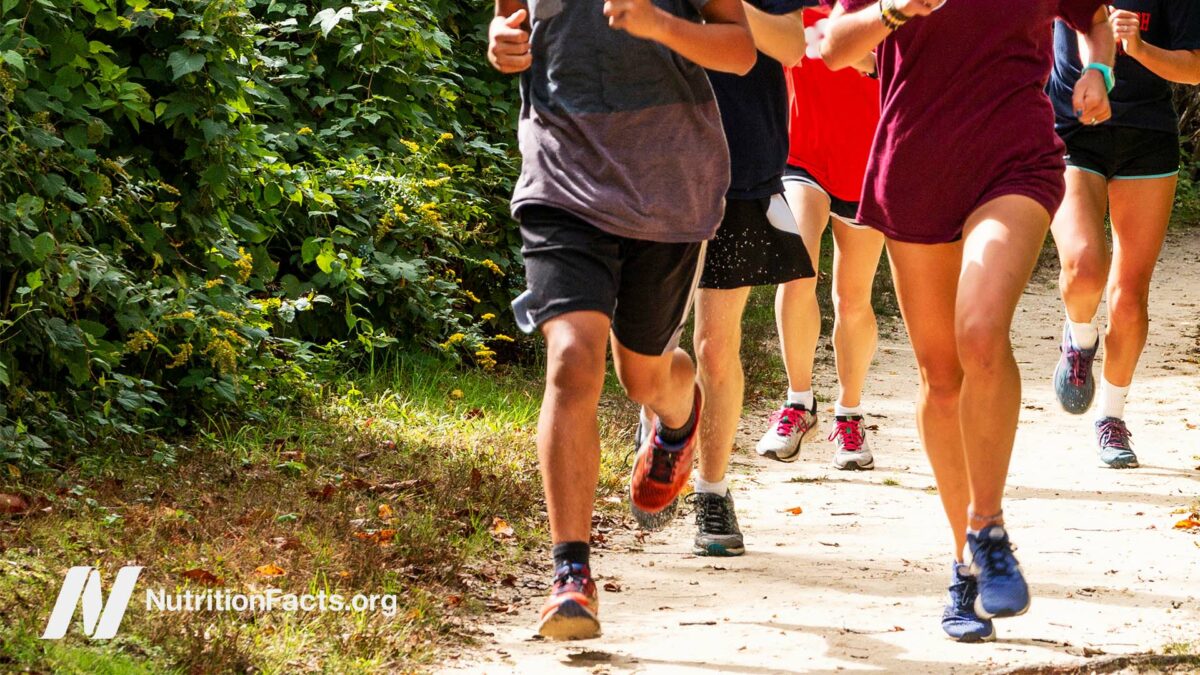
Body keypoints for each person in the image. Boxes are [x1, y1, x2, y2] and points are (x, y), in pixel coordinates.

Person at [821, 0, 1113, 642]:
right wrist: (894, 10)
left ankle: (988, 526)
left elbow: (1093, 17)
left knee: (979, 332)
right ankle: (965, 564)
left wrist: (1100, 72)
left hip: (1016, 158)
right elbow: (832, 46)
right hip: (916, 163)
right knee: (941, 375)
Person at [487, 0, 754, 641]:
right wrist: (501, 42)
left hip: (669, 189)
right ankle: (570, 576)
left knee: (642, 377)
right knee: (573, 358)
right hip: (561, 179)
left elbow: (740, 49)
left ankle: (677, 414)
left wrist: (661, 24)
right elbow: (512, 24)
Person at [1047, 2, 1200, 469]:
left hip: (1145, 136)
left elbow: (1194, 67)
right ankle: (1079, 338)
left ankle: (1111, 417)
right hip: (1072, 128)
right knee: (1084, 266)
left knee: (1130, 298)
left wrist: (1138, 47)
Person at [689, 0, 815, 557]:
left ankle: (710, 490)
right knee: (646, 345)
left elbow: (792, 44)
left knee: (716, 346)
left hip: (740, 163)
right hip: (643, 164)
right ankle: (667, 422)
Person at [756, 2, 885, 471]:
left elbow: (893, 64)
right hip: (802, 151)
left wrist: (854, 52)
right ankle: (798, 403)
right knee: (795, 270)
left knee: (853, 299)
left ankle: (849, 415)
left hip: (869, 157)